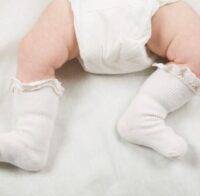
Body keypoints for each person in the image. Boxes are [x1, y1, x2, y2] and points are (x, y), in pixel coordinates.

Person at [0, 0, 200, 171]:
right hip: (81, 10)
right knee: (35, 50)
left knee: (196, 47)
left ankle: (146, 116)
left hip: (153, 9)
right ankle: (31, 138)